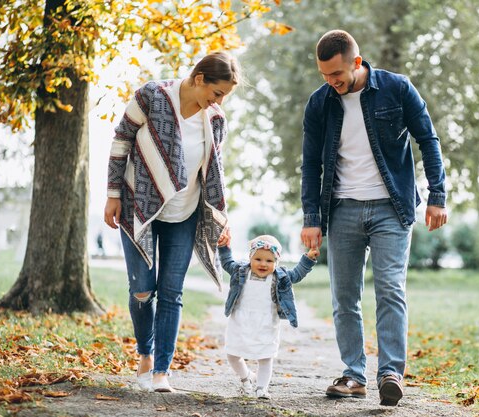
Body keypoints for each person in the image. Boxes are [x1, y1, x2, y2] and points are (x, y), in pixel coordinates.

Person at [300, 30, 448, 406]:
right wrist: (311, 217)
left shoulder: (397, 89)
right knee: (344, 297)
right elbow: (311, 164)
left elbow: (427, 139)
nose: (331, 81)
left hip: (392, 208)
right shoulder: (320, 104)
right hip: (343, 208)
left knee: (390, 290)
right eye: (324, 75)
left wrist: (437, 195)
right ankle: (353, 374)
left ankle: (390, 374)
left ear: (356, 62)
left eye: (337, 74)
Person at [103, 51, 240, 393]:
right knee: (142, 289)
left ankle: (161, 370)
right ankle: (144, 351)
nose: (218, 101)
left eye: (223, 97)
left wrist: (220, 217)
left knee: (171, 292)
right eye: (217, 92)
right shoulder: (152, 96)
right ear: (199, 79)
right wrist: (113, 193)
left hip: (185, 212)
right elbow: (121, 140)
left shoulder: (216, 120)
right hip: (140, 207)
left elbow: (213, 172)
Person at [217, 233, 319, 399]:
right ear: (250, 257)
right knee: (232, 354)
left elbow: (297, 274)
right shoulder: (241, 271)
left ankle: (261, 388)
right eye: (258, 259)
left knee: (265, 357)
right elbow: (227, 262)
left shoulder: (279, 277)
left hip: (266, 324)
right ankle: (246, 377)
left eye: (269, 261)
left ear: (276, 262)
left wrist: (308, 259)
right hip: (240, 322)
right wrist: (223, 247)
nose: (263, 264)